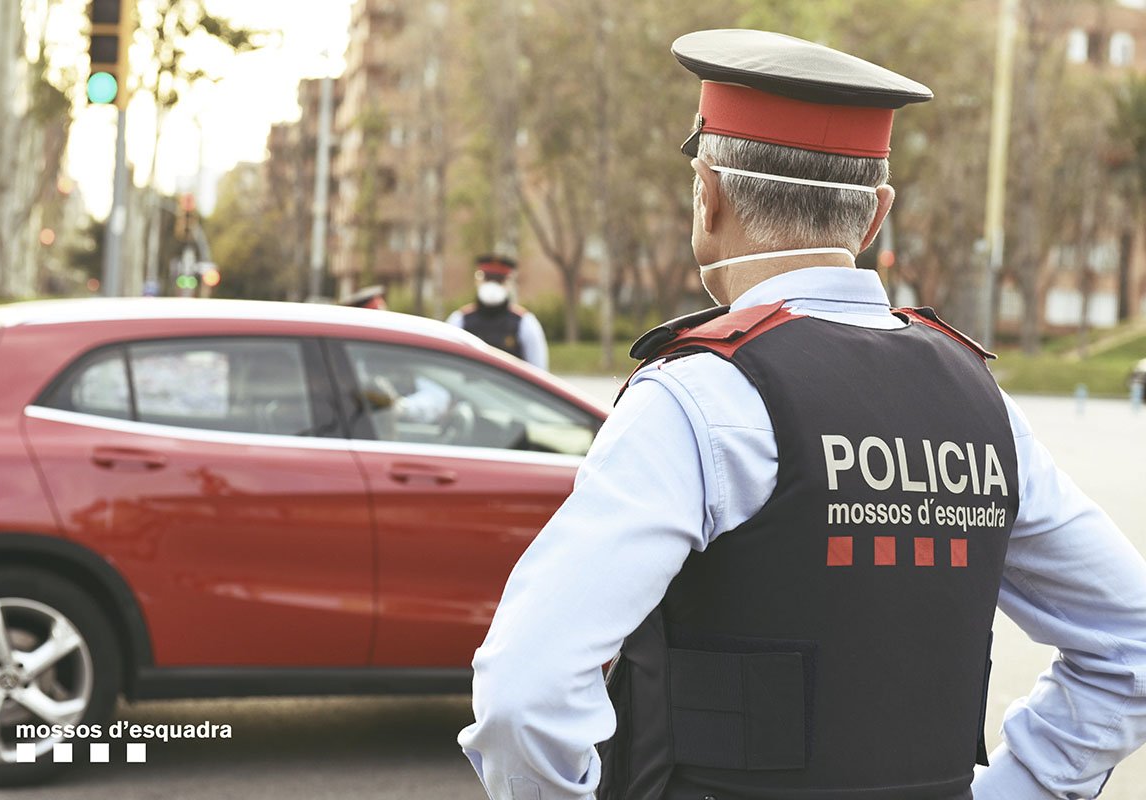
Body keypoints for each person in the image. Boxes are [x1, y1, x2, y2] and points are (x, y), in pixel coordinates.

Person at [458, 29, 1146, 800]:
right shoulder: (981, 403)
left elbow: (525, 693)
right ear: (875, 215)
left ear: (707, 193)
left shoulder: (696, 401)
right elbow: (1134, 641)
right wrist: (1018, 788)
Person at [447, 255, 549, 371]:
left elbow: (539, 370)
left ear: (509, 284)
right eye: (488, 278)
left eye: (499, 280)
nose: (492, 285)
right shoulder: (459, 320)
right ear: (478, 281)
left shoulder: (525, 322)